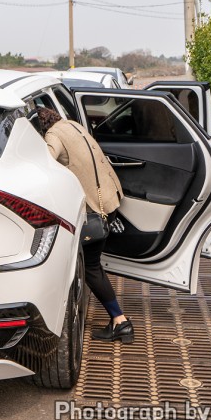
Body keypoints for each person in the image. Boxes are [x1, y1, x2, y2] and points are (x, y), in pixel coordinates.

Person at [36, 107, 131, 343]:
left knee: (91, 268)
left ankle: (121, 322)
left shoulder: (53, 136)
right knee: (94, 267)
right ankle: (120, 321)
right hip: (109, 201)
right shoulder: (73, 125)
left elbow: (44, 162)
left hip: (92, 210)